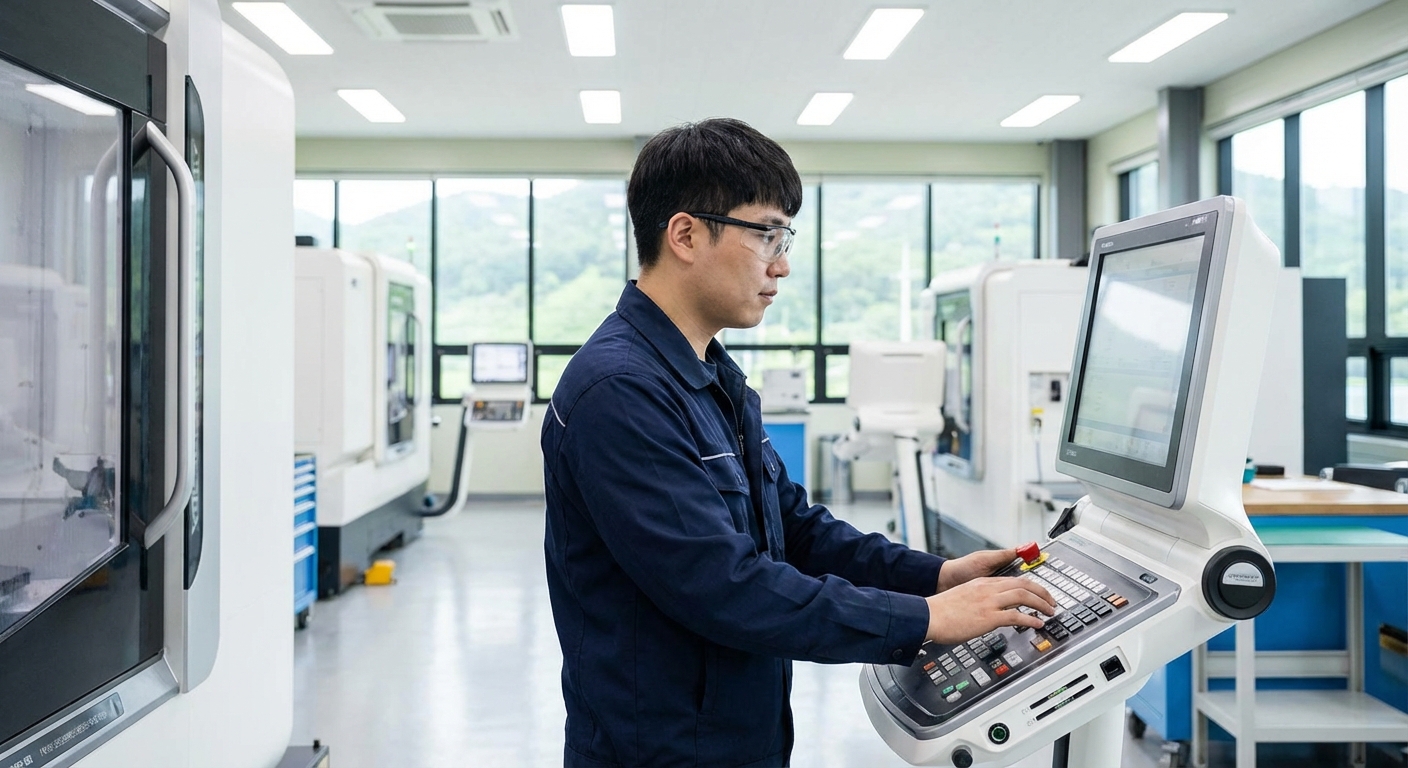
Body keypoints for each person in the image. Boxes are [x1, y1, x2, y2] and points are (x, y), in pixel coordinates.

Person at [541, 118, 1055, 768]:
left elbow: (798, 532)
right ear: (686, 234)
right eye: (767, 234)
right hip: (662, 750)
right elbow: (725, 587)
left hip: (736, 737)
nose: (781, 264)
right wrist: (925, 621)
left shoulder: (713, 377)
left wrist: (938, 576)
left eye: (786, 237)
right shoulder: (619, 392)